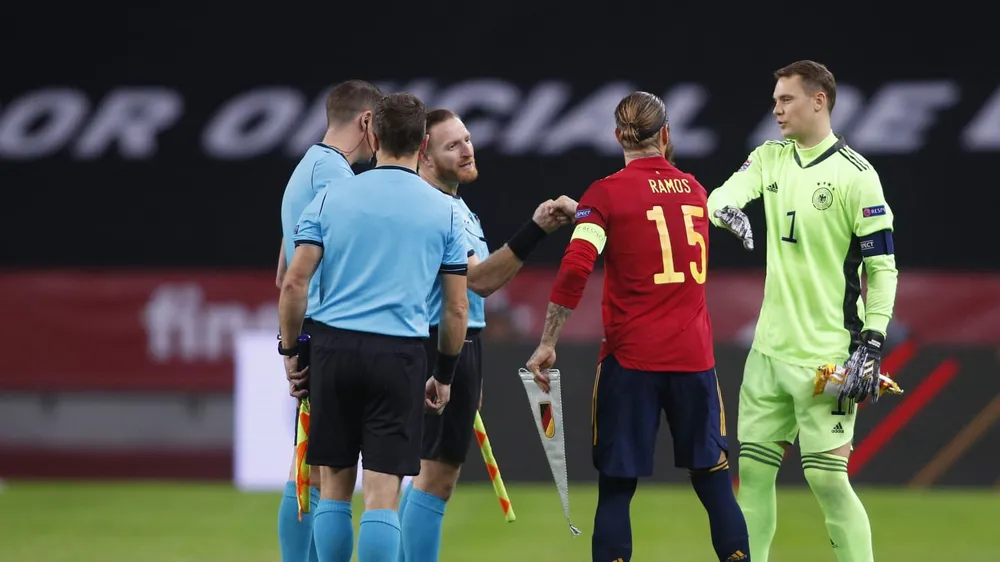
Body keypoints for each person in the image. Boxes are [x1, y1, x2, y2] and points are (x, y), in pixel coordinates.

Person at [525, 91, 751, 562]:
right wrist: (586, 210)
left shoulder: (604, 195)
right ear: (666, 134)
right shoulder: (695, 191)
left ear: (617, 136)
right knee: (714, 485)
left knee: (616, 489)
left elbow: (577, 265)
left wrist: (548, 341)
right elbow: (651, 224)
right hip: (693, 363)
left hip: (630, 364)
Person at [707, 60, 898, 562]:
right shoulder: (769, 157)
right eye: (775, 100)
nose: (776, 109)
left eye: (786, 99)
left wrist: (872, 340)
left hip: (826, 359)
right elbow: (722, 196)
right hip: (768, 354)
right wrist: (724, 210)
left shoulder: (857, 176)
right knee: (752, 477)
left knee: (828, 480)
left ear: (819, 100)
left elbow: (882, 270)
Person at [278, 93, 470, 562]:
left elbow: (293, 282)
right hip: (400, 355)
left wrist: (291, 351)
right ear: (423, 145)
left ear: (375, 134)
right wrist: (444, 375)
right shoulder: (445, 211)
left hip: (334, 350)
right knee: (383, 495)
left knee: (334, 489)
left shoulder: (330, 196)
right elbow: (456, 308)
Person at [396, 108, 577, 562]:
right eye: (452, 145)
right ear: (424, 154)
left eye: (468, 139)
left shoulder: (450, 204)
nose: (467, 150)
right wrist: (536, 230)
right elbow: (478, 281)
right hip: (440, 339)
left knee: (428, 475)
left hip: (450, 339)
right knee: (435, 478)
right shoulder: (438, 206)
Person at [275, 78, 383, 562]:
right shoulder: (335, 177)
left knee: (310, 467)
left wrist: (291, 342)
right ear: (366, 121)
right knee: (323, 473)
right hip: (332, 330)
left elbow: (284, 269)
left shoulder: (306, 169)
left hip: (312, 331)